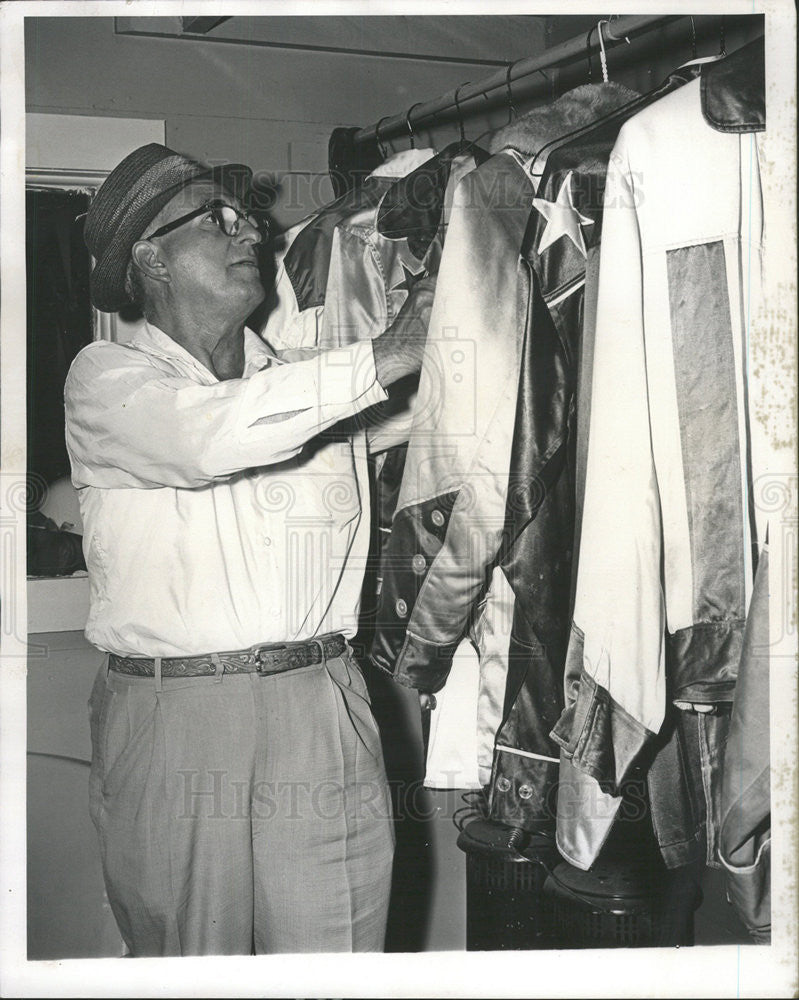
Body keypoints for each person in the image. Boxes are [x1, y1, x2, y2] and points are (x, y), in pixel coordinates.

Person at [64, 143, 434, 956]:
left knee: (336, 958)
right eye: (215, 218)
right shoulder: (107, 380)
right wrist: (389, 352)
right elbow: (209, 438)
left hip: (322, 705)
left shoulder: (313, 378)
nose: (249, 234)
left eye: (245, 217)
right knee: (190, 964)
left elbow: (447, 412)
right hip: (175, 721)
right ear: (149, 258)